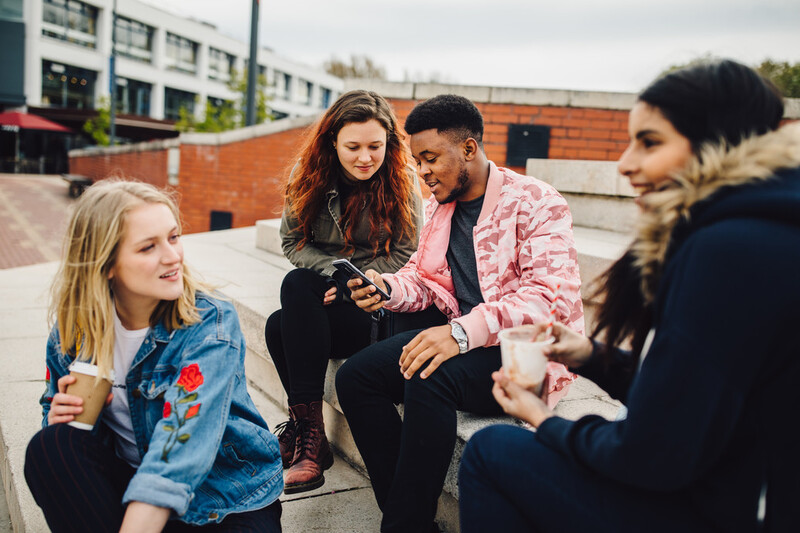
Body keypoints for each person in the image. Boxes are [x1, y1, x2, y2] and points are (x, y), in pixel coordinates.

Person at [458, 59, 800, 532]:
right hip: (718, 481)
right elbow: (693, 393)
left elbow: (653, 455)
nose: (625, 163)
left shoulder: (728, 251)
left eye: (651, 142)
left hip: (722, 510)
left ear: (716, 144)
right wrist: (590, 355)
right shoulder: (762, 230)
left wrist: (543, 419)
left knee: (490, 452)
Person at [336, 94, 584, 532]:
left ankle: (402, 525)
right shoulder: (439, 206)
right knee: (356, 378)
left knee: (429, 375)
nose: (422, 171)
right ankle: (408, 517)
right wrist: (386, 287)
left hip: (526, 354)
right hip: (466, 337)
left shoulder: (537, 202)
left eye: (430, 158)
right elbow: (424, 279)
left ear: (469, 148)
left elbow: (547, 300)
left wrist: (459, 333)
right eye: (417, 161)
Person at [24, 180, 283, 533]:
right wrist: (61, 419)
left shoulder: (209, 322)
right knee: (50, 447)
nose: (172, 256)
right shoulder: (75, 331)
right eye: (148, 247)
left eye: (173, 237)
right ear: (106, 262)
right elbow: (65, 436)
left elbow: (179, 451)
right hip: (132, 483)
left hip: (224, 499)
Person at [264, 90, 423, 493]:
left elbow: (408, 250)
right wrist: (333, 277)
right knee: (290, 298)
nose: (365, 157)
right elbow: (293, 242)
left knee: (282, 326)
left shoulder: (401, 180)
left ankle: (306, 439)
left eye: (376, 146)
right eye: (353, 147)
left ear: (390, 141)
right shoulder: (307, 174)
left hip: (376, 302)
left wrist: (360, 282)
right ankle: (311, 436)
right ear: (332, 142)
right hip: (326, 289)